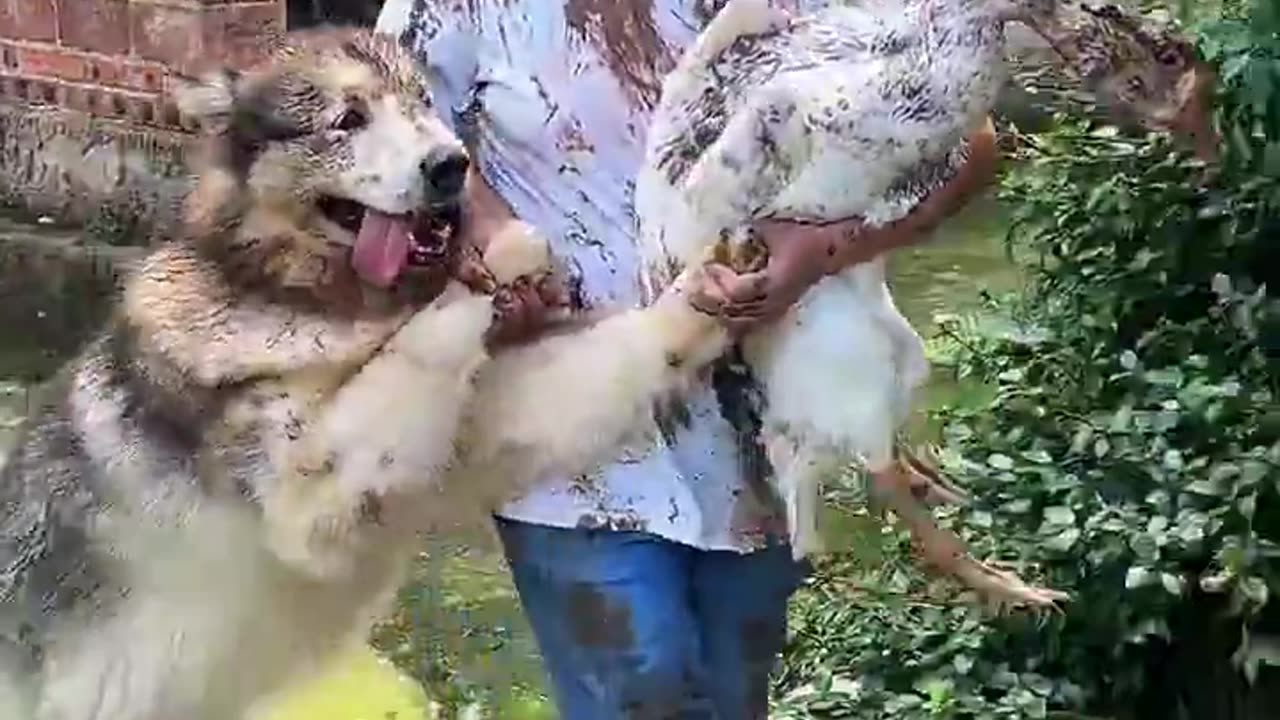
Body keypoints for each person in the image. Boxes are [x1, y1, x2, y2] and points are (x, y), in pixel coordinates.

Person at [376, 1, 999, 717]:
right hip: (572, 428)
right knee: (640, 685)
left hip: (755, 419)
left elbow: (969, 144)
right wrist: (490, 240)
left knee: (733, 697)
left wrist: (818, 253)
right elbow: (389, 151)